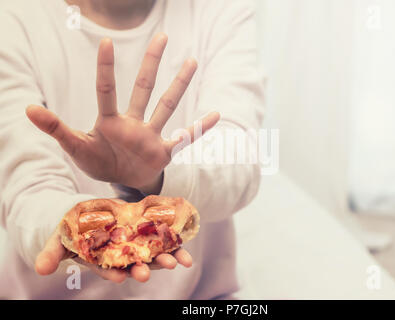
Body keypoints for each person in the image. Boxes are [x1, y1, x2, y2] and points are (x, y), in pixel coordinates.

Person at [0, 0, 264, 299]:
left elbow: (238, 162)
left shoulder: (219, 9)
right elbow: (24, 186)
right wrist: (78, 229)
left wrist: (157, 177)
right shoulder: (14, 18)